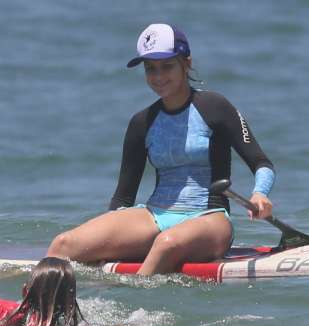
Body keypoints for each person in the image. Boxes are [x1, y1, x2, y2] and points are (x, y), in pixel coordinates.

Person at [47, 23, 276, 275]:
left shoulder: (215, 107)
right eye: (150, 69)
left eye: (167, 66)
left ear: (186, 63)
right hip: (154, 216)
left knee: (166, 244)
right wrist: (106, 245)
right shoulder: (142, 122)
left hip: (209, 217)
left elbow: (261, 163)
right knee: (63, 245)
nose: (158, 77)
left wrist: (260, 194)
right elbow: (123, 198)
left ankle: (131, 310)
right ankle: (39, 309)